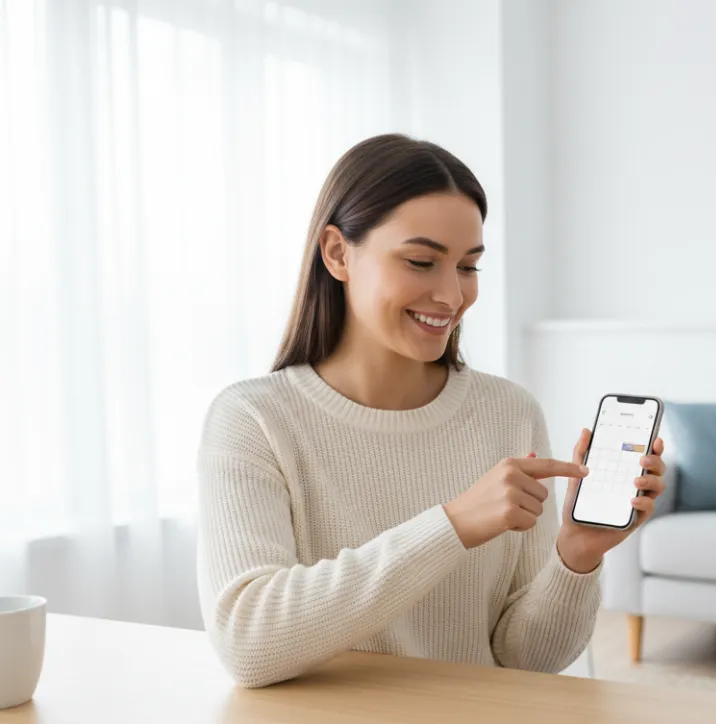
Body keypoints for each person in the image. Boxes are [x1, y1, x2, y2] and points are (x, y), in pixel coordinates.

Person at [196, 134, 666, 688]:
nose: (452, 295)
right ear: (338, 253)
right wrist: (455, 523)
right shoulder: (253, 420)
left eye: (469, 267)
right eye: (421, 262)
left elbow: (527, 660)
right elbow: (248, 642)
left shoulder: (509, 413)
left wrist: (577, 555)